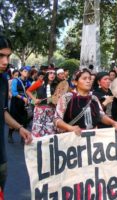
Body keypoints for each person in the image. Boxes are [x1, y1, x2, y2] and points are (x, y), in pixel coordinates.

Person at [0, 35, 32, 192]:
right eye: (0, 56)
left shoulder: (3, 80)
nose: (6, 62)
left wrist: (19, 128)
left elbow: (2, 111)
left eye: (8, 56)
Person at [54, 69, 117, 135]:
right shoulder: (66, 98)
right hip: (73, 139)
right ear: (75, 82)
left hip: (92, 138)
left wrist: (113, 123)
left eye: (89, 78)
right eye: (84, 79)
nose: (88, 81)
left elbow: (101, 115)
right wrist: (70, 128)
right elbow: (56, 119)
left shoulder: (94, 98)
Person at [26, 67, 58, 137]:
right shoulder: (39, 82)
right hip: (39, 110)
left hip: (51, 110)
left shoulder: (56, 85)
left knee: (50, 131)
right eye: (50, 73)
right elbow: (28, 91)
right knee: (38, 131)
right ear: (47, 74)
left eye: (54, 74)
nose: (52, 75)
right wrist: (34, 99)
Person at [8, 66, 31, 143]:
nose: (26, 73)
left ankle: (23, 137)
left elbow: (30, 92)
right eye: (25, 71)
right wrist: (23, 98)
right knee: (13, 119)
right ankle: (9, 135)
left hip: (24, 104)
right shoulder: (16, 80)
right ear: (21, 72)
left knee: (24, 120)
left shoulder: (28, 82)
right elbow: (14, 93)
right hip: (16, 103)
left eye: (28, 72)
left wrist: (29, 99)